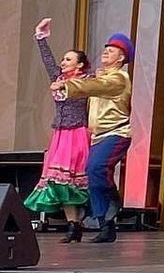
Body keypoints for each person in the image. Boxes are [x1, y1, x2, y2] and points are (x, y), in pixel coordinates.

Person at [51, 33, 134, 244]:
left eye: (111, 50)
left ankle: (113, 200)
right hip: (98, 136)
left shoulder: (118, 79)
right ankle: (106, 225)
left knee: (96, 168)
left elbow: (96, 87)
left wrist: (68, 86)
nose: (106, 52)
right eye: (106, 49)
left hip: (116, 133)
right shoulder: (99, 77)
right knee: (92, 174)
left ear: (121, 59)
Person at [23, 18, 91, 242]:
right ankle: (73, 225)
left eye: (68, 59)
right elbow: (48, 61)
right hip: (60, 134)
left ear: (80, 65)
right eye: (63, 58)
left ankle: (86, 220)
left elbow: (97, 87)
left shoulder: (87, 80)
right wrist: (40, 36)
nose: (63, 62)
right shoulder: (58, 77)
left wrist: (67, 85)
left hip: (77, 134)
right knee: (59, 181)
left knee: (74, 182)